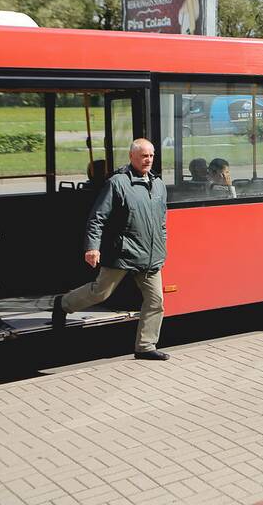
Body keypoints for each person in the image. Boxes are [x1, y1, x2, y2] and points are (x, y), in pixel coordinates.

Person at [52, 139, 171, 360]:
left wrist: (162, 246)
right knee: (101, 292)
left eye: (152, 155)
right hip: (123, 254)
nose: (149, 160)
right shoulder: (117, 183)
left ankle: (145, 347)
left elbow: (161, 221)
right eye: (144, 156)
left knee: (156, 302)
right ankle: (63, 304)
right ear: (132, 156)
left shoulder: (158, 185)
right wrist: (92, 248)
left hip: (150, 255)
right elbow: (97, 219)